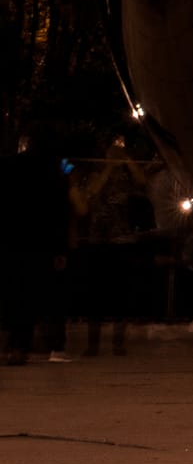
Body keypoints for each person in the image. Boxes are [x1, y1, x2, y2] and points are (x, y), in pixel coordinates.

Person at [68, 141, 153, 358]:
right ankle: (93, 344)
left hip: (120, 241)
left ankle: (118, 344)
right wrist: (109, 166)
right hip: (99, 241)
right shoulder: (96, 174)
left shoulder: (125, 179)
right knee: (95, 294)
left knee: (120, 294)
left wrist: (127, 161)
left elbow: (142, 181)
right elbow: (91, 194)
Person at [1, 138, 72, 364]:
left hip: (13, 238)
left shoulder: (11, 166)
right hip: (41, 242)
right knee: (38, 295)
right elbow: (61, 211)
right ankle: (32, 345)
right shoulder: (54, 171)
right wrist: (60, 248)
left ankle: (14, 345)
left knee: (14, 292)